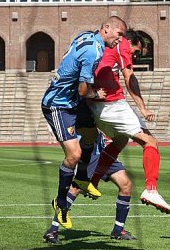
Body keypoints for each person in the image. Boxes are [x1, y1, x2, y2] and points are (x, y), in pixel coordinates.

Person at [41, 16, 127, 229]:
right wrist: (96, 94)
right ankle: (61, 204)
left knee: (91, 134)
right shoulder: (94, 51)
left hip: (72, 102)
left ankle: (81, 179)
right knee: (74, 155)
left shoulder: (86, 36)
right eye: (119, 34)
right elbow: (82, 90)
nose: (120, 39)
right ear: (107, 28)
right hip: (58, 105)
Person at [86, 29, 170, 214]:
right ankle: (151, 190)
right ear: (130, 42)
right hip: (112, 104)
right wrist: (143, 108)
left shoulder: (100, 44)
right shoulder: (123, 44)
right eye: (136, 51)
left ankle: (93, 181)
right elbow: (129, 77)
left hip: (94, 105)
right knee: (150, 142)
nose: (133, 55)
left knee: (120, 140)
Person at [43, 132, 134, 245]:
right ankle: (52, 230)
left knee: (126, 184)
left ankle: (118, 230)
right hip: (89, 152)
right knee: (76, 187)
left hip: (104, 152)